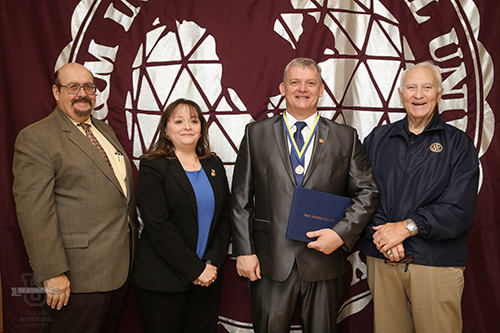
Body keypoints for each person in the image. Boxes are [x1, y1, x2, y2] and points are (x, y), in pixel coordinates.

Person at [230, 57, 380, 333]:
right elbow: (240, 200)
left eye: (310, 83)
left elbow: (367, 192)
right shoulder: (256, 134)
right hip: (270, 261)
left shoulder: (345, 137)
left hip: (324, 261)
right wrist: (244, 250)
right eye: (295, 82)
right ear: (282, 88)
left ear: (321, 89)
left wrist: (340, 234)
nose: (303, 89)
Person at [12, 63, 138, 333]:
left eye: (89, 87)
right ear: (56, 92)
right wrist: (52, 272)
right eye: (73, 87)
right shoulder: (36, 137)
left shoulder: (105, 131)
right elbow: (35, 213)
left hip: (118, 269)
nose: (83, 93)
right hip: (75, 277)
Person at [362, 61, 479, 333]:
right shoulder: (378, 139)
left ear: (439, 94)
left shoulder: (458, 144)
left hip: (435, 263)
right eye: (411, 87)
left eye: (427, 87)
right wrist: (383, 235)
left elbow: (458, 208)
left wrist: (406, 228)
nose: (418, 95)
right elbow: (362, 194)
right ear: (401, 94)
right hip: (383, 258)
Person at [131, 99, 231, 333]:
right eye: (179, 121)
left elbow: (225, 220)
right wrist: (194, 269)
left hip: (208, 279)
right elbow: (158, 225)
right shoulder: (153, 166)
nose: (187, 126)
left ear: (201, 128)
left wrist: (210, 264)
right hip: (162, 282)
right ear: (166, 129)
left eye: (193, 121)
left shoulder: (214, 164)